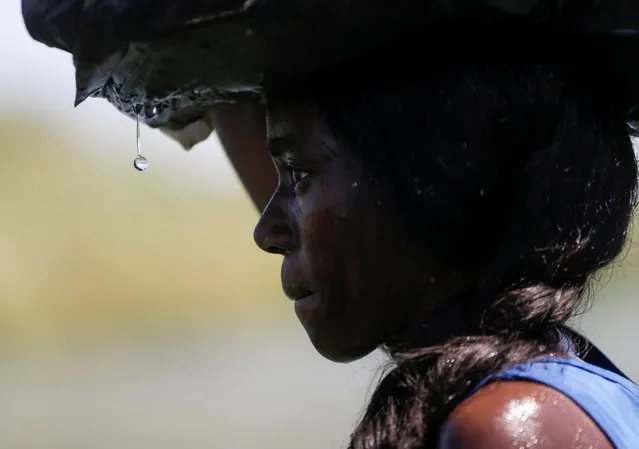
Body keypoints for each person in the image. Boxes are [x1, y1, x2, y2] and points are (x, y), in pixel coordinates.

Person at [207, 50, 639, 448]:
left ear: (429, 185)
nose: (266, 233)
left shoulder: (508, 427)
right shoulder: (541, 373)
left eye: (298, 173)